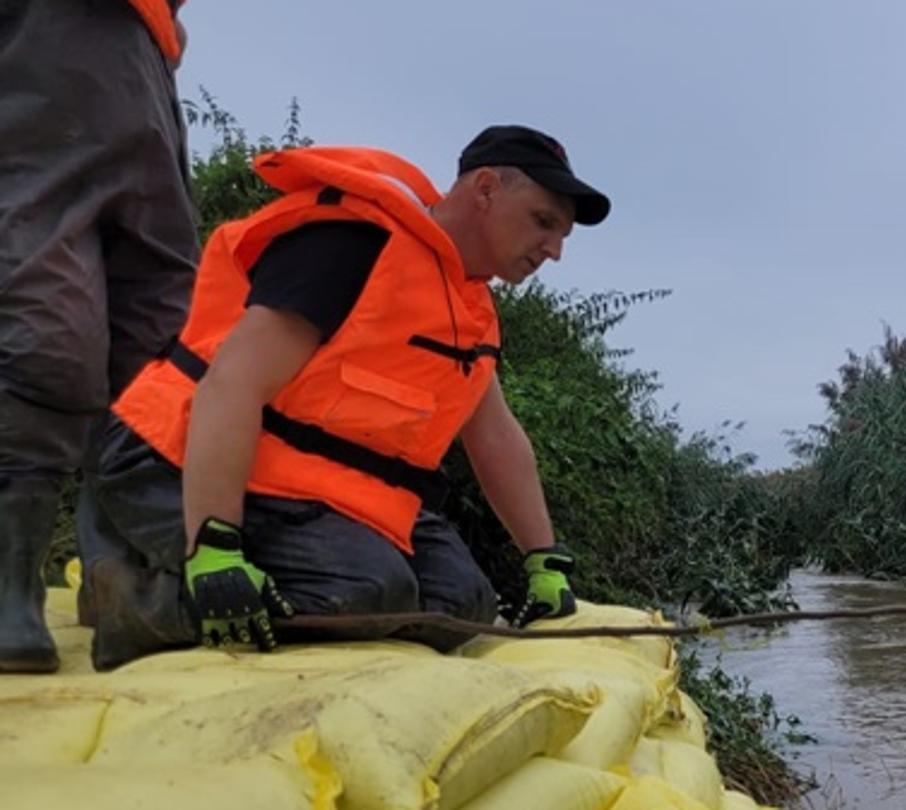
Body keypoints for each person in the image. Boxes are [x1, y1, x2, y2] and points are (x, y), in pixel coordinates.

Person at [77, 125, 608, 671]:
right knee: (365, 590)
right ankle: (135, 600)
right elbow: (232, 384)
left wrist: (543, 559)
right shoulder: (352, 241)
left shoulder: (467, 307)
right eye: (543, 222)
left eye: (562, 235)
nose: (554, 251)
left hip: (307, 486)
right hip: (171, 457)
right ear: (487, 188)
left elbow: (493, 434)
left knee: (461, 603)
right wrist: (215, 547)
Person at [0, 0, 198, 673]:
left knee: (160, 340)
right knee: (47, 326)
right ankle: (9, 589)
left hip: (145, 61)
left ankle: (116, 579)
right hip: (40, 38)